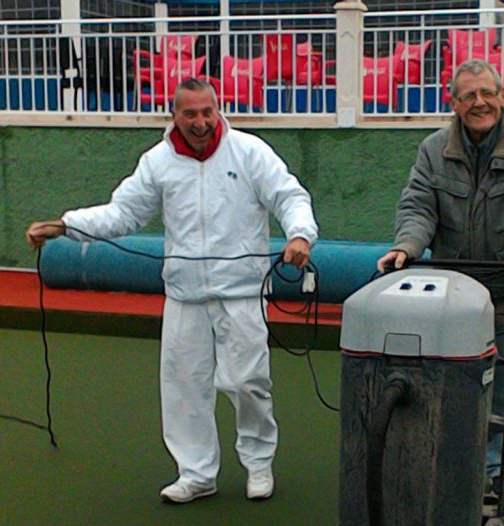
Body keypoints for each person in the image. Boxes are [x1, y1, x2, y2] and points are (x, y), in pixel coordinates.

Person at [26, 78, 318, 504]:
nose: (200, 122)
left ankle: (258, 464)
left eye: (207, 112)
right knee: (183, 387)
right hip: (184, 294)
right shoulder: (158, 162)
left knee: (247, 382)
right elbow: (123, 212)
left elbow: (290, 196)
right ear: (174, 115)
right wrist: (65, 225)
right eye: (190, 114)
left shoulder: (250, 152)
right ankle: (197, 473)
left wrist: (299, 236)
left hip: (241, 292)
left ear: (217, 110)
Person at [377, 59, 504, 499]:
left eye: (487, 93)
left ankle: (501, 473)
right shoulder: (433, 150)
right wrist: (406, 246)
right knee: (446, 383)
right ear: (454, 102)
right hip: (453, 297)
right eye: (468, 96)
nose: (479, 102)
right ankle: (450, 465)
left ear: (503, 96)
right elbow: (419, 205)